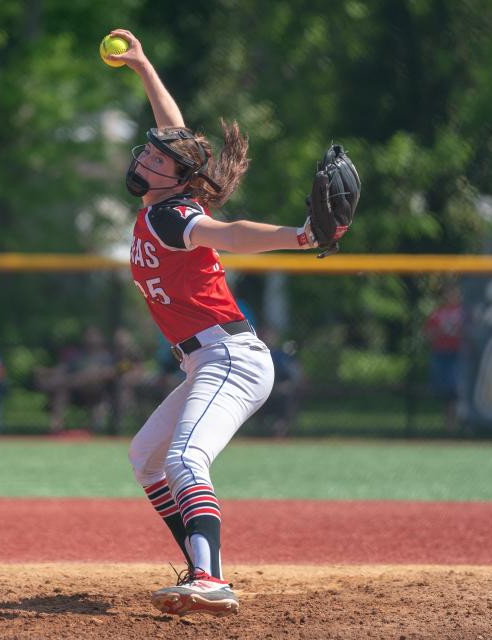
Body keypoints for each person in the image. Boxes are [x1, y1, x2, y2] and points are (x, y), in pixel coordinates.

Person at [107, 29, 337, 617]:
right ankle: (201, 565)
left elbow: (229, 235)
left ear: (177, 179)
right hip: (205, 358)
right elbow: (174, 130)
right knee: (147, 458)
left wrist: (301, 236)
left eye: (158, 159)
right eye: (149, 152)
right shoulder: (165, 202)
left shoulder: (175, 216)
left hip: (230, 357)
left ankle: (209, 579)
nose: (147, 157)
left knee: (185, 458)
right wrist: (142, 65)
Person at [34, 325, 117, 434]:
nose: (91, 338)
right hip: (77, 392)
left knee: (78, 378)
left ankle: (53, 384)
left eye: (94, 335)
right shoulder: (79, 356)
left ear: (101, 338)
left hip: (97, 391)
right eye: (89, 335)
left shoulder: (106, 357)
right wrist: (46, 371)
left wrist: (95, 374)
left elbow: (114, 372)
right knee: (61, 390)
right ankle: (56, 428)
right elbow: (64, 368)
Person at [423, 282, 463, 433]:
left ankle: (464, 425)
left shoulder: (465, 313)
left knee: (460, 390)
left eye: (454, 292)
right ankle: (449, 427)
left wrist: (458, 331)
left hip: (460, 355)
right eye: (448, 293)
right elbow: (427, 335)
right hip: (442, 354)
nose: (451, 296)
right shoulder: (437, 313)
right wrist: (441, 330)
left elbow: (474, 333)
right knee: (447, 393)